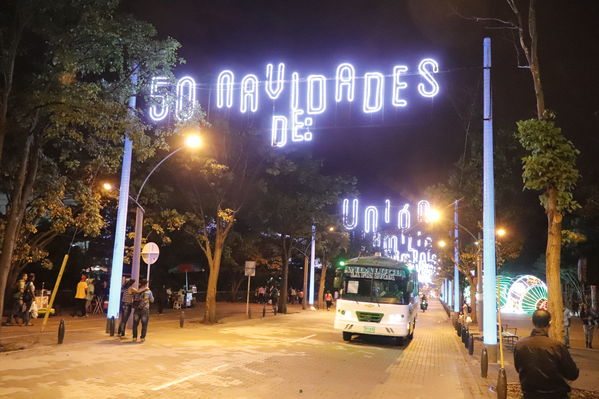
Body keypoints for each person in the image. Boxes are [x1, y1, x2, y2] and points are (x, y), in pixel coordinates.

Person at [514, 310, 579, 399]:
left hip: (530, 394)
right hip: (556, 394)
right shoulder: (557, 346)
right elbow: (572, 374)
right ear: (549, 324)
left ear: (532, 322)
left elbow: (519, 368)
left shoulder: (520, 345)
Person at [132, 279, 154, 343]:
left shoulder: (137, 291)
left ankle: (134, 337)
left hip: (137, 309)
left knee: (135, 324)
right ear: (146, 284)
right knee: (144, 324)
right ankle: (142, 338)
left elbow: (133, 298)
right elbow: (152, 300)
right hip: (145, 309)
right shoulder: (148, 291)